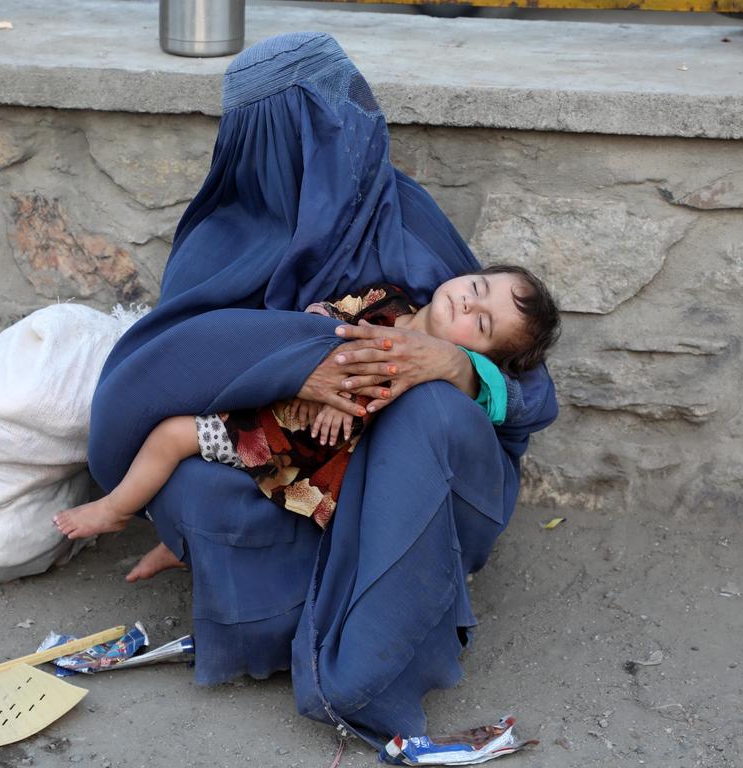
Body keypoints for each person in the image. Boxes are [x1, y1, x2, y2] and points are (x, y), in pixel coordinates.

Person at [86, 32, 559, 749]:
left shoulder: (407, 221)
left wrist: (458, 368)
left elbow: (534, 395)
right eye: (321, 125)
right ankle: (294, 612)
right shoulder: (226, 232)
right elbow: (153, 376)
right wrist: (293, 363)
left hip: (409, 472)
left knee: (430, 409)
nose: (348, 134)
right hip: (289, 456)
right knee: (188, 484)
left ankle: (368, 664)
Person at [57, 268, 558, 540]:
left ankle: (115, 509)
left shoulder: (429, 382)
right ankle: (151, 526)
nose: (469, 303)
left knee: (177, 441)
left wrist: (346, 401)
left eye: (483, 324)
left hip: (296, 450)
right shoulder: (389, 299)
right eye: (477, 287)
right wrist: (314, 348)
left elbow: (395, 419)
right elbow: (324, 317)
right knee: (180, 447)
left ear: (477, 354)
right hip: (269, 408)